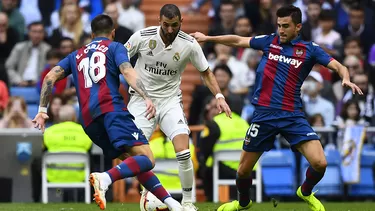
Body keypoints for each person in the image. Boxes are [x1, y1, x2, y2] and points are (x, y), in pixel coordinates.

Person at [191, 5, 363, 211]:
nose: (280, 30)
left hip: (293, 116)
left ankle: (305, 191)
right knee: (243, 171)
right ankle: (242, 203)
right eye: (279, 25)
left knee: (320, 163)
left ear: (298, 27)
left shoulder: (310, 50)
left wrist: (345, 78)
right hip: (264, 115)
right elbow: (238, 40)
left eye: (286, 26)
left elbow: (338, 65)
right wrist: (208, 39)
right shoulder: (269, 41)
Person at [32, 14, 182, 211]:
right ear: (113, 32)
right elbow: (127, 71)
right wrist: (146, 96)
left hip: (88, 121)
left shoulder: (75, 54)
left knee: (134, 161)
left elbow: (50, 78)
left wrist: (42, 110)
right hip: (111, 110)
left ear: (92, 34)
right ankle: (105, 178)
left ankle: (173, 205)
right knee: (147, 159)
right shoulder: (115, 47)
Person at [124, 4, 232, 210]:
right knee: (137, 154)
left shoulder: (189, 44)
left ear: (181, 22)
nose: (170, 30)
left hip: (170, 100)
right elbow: (120, 59)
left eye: (174, 25)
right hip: (141, 100)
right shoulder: (142, 37)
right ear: (159, 21)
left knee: (183, 151)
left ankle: (188, 202)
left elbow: (206, 72)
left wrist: (219, 95)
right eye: (166, 25)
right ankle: (148, 194)